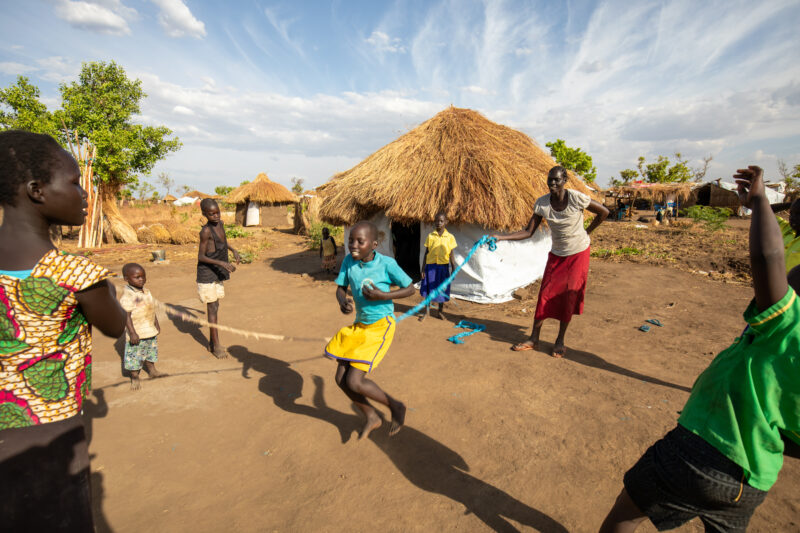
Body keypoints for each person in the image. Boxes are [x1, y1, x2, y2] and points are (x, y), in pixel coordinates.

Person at [599, 166, 800, 533]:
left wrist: (759, 203)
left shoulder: (790, 325)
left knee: (625, 515)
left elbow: (769, 259)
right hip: (753, 477)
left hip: (702, 451)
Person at [0, 130, 126, 531]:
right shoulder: (76, 273)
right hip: (49, 431)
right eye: (73, 183)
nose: (83, 193)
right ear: (37, 190)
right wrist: (107, 288)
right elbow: (116, 323)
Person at [493, 166, 609, 357]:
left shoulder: (576, 198)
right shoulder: (542, 204)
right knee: (545, 294)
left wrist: (587, 232)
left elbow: (603, 212)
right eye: (550, 180)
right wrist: (501, 237)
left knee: (568, 297)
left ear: (565, 180)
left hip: (578, 253)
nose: (552, 184)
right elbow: (528, 231)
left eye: (556, 180)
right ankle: (533, 339)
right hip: (557, 254)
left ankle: (560, 340)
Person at [324, 221, 414, 440]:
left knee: (354, 381)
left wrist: (384, 296)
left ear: (373, 244)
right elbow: (340, 288)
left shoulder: (387, 264)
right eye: (351, 240)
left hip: (380, 326)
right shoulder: (348, 261)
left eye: (359, 241)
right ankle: (372, 416)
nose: (353, 245)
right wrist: (342, 301)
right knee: (340, 379)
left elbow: (410, 288)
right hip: (360, 325)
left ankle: (396, 406)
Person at [197, 198, 240, 358]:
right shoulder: (206, 231)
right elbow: (201, 256)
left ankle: (211, 343)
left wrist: (233, 250)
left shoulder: (220, 224)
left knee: (215, 307)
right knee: (212, 308)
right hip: (207, 272)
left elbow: (223, 241)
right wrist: (222, 263)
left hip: (218, 270)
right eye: (211, 214)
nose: (216, 216)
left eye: (217, 212)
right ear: (205, 214)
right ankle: (216, 346)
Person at [120, 262, 165, 390]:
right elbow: (126, 316)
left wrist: (156, 323)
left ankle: (152, 370)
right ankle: (134, 377)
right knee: (135, 356)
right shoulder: (128, 296)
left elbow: (151, 308)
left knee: (151, 352)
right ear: (126, 278)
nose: (141, 279)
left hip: (149, 329)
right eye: (137, 277)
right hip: (137, 332)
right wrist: (133, 333)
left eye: (143, 276)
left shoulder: (147, 292)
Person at [419, 211, 457, 321]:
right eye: (437, 221)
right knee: (428, 289)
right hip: (430, 267)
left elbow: (451, 254)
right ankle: (427, 312)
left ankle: (440, 312)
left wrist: (453, 268)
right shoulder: (430, 236)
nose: (439, 223)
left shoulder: (450, 237)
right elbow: (426, 253)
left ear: (446, 222)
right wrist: (422, 268)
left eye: (441, 221)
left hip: (443, 267)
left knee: (442, 289)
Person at [771, 198, 800, 273]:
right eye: (791, 213)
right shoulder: (787, 229)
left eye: (798, 214)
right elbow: (765, 211)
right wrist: (792, 204)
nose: (792, 217)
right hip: (779, 283)